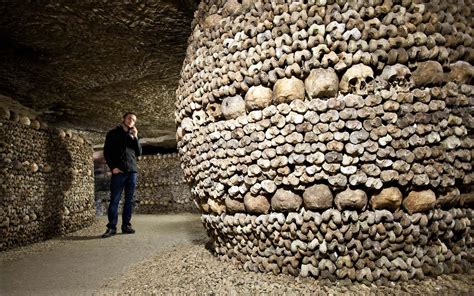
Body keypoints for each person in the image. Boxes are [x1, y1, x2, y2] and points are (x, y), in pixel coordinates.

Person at [102, 112, 142, 238]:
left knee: (129, 201)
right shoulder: (112, 134)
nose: (131, 121)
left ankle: (126, 226)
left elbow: (139, 153)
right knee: (115, 200)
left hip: (132, 172)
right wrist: (112, 168)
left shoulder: (132, 135)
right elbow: (106, 152)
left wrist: (135, 137)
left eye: (134, 120)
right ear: (123, 119)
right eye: (129, 118)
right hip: (118, 172)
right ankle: (111, 227)